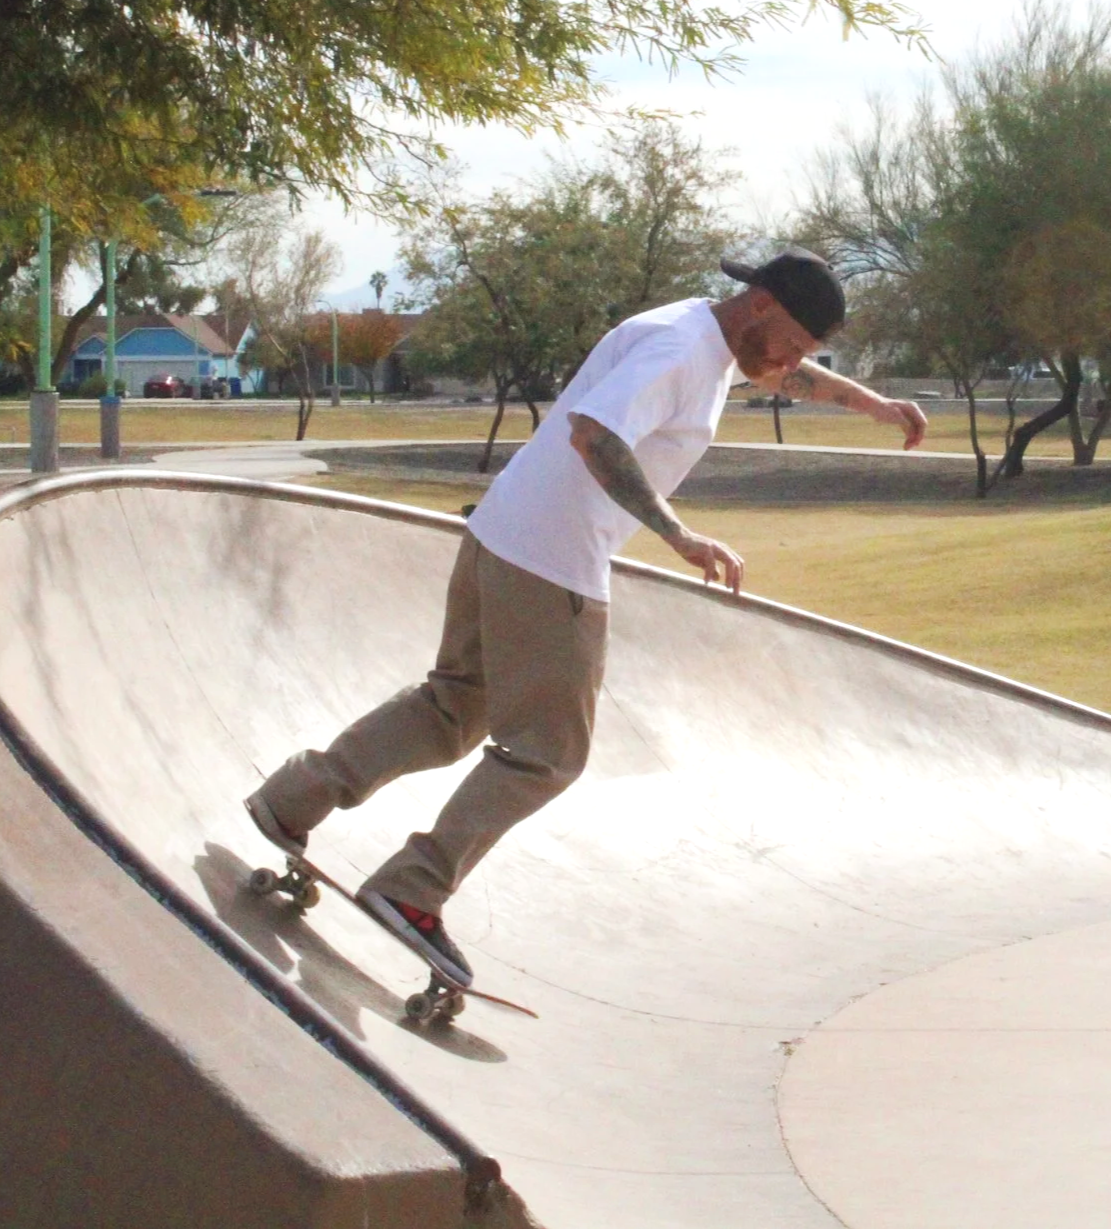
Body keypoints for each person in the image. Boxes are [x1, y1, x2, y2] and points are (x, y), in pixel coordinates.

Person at [245, 247, 926, 987]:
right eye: (793, 341)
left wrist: (872, 404)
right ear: (759, 304)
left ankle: (292, 798)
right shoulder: (678, 350)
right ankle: (411, 890)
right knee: (547, 753)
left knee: (451, 707)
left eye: (807, 351)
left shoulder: (707, 335)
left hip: (502, 533)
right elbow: (594, 434)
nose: (793, 362)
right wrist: (677, 533)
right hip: (552, 561)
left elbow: (786, 376)